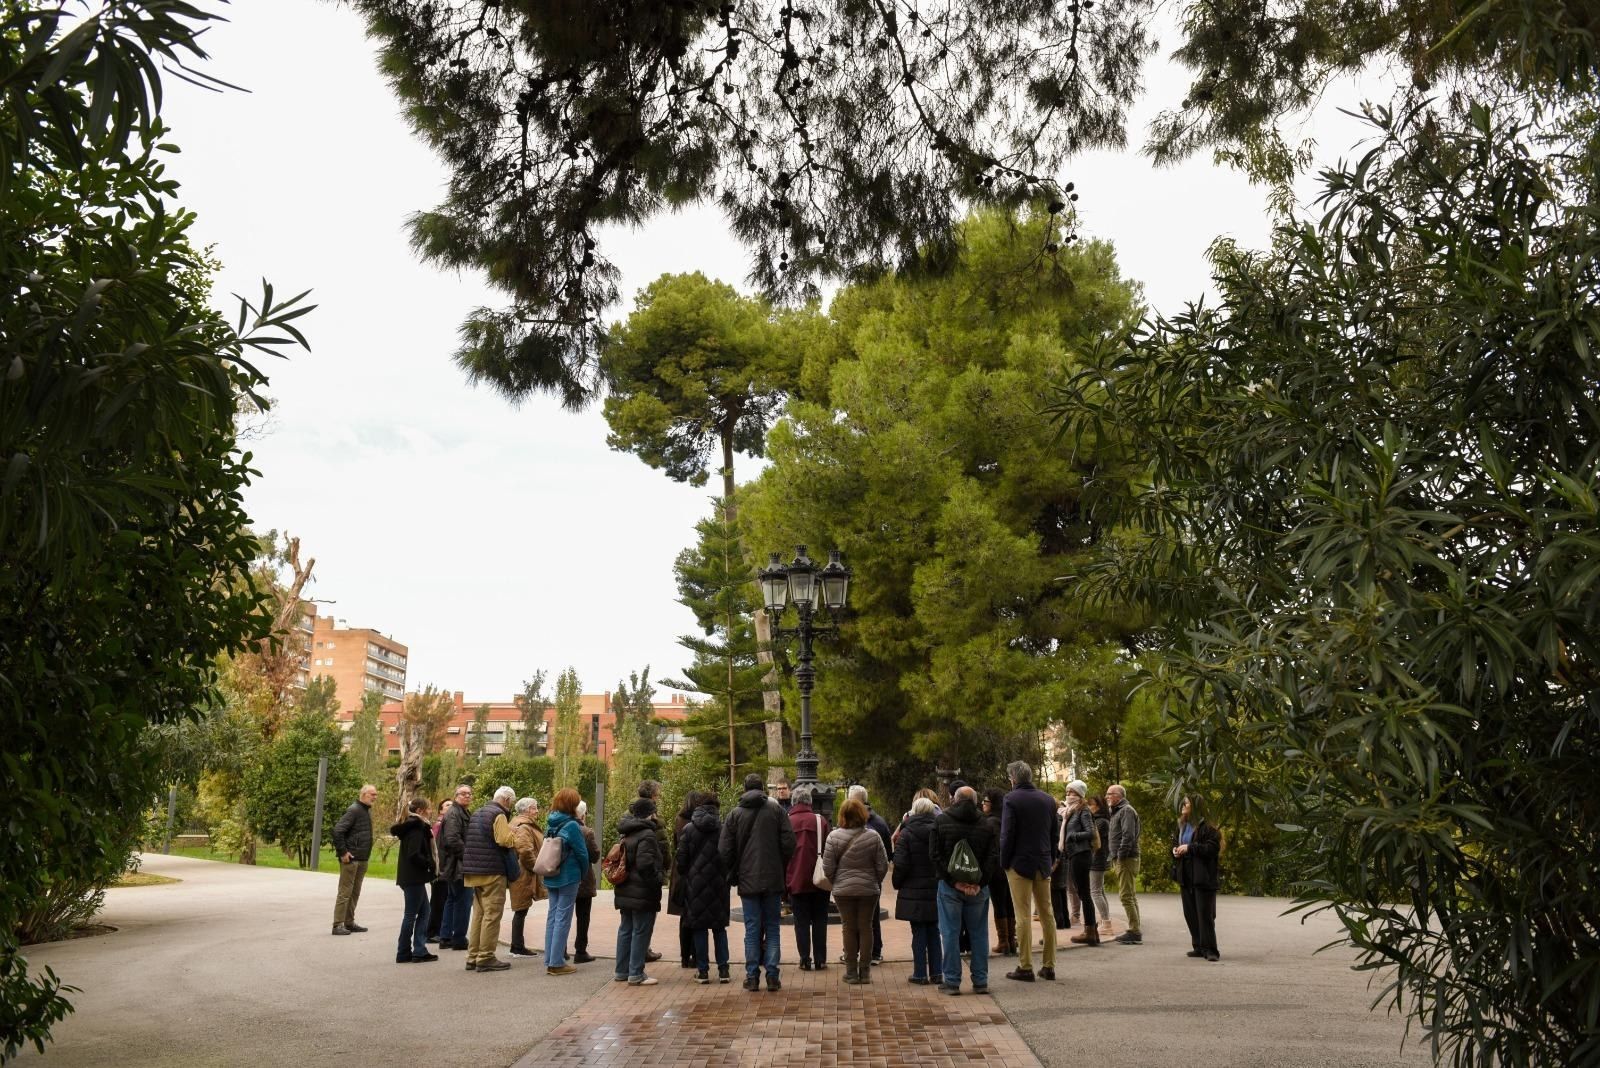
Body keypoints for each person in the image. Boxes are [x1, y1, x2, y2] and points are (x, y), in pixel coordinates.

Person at [719, 772, 796, 992]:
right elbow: (790, 843)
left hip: (748, 880)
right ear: (762, 788)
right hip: (773, 879)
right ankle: (772, 975)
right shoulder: (777, 812)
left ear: (744, 789)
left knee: (752, 928)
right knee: (772, 927)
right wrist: (779, 865)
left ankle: (752, 976)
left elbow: (724, 850)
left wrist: (735, 869)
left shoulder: (735, 815)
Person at [931, 785, 1000, 995]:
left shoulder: (941, 821)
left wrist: (954, 882)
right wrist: (980, 883)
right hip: (978, 889)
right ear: (976, 801)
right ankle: (980, 981)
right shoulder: (986, 824)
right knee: (979, 933)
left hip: (950, 888)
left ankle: (952, 981)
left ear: (954, 799)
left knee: (950, 933)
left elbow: (935, 855)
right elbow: (993, 857)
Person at [1000, 761, 1059, 981]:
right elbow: (1054, 833)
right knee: (1047, 914)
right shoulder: (1047, 799)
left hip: (1019, 863)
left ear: (1013, 779)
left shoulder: (1011, 799)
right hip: (1043, 863)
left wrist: (1004, 862)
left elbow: (1007, 835)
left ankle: (1025, 966)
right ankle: (1049, 965)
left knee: (1022, 914)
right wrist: (1051, 859)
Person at [824, 797, 889, 984]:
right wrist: (874, 881)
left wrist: (837, 881)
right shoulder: (873, 836)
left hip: (843, 891)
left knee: (848, 928)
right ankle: (865, 972)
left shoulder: (833, 837)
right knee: (866, 927)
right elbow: (882, 865)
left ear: (842, 815)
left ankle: (851, 971)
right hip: (869, 890)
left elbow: (828, 868)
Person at [461, 784, 517, 973]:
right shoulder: (498, 814)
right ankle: (486, 957)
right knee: (492, 915)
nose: (510, 807)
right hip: (492, 871)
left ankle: (473, 956)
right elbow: (504, 840)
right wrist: (513, 834)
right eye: (511, 803)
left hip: (474, 870)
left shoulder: (477, 812)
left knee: (479, 915)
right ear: (506, 800)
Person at [679, 791, 732, 984]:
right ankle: (724, 970)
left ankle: (702, 971)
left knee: (699, 928)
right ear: (716, 807)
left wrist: (689, 873)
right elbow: (729, 854)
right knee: (719, 928)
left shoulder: (689, 829)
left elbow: (681, 860)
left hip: (696, 885)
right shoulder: (724, 828)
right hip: (719, 884)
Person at [614, 796, 665, 985]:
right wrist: (657, 880)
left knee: (626, 929)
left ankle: (621, 970)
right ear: (651, 814)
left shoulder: (626, 832)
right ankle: (636, 973)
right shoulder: (647, 835)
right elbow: (645, 865)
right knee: (641, 931)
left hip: (625, 888)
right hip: (642, 891)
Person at [892, 795, 941, 984]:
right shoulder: (939, 831)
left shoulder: (906, 833)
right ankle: (937, 972)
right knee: (934, 932)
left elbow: (901, 864)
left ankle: (920, 973)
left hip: (913, 890)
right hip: (935, 888)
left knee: (918, 932)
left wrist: (897, 883)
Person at [543, 787, 591, 975]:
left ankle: (550, 958)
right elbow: (582, 853)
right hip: (568, 876)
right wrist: (582, 872)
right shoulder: (572, 825)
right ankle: (556, 963)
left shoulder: (550, 823)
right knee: (563, 918)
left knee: (552, 917)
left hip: (551, 873)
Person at [784, 784, 831, 970]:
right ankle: (820, 959)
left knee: (801, 921)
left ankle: (804, 958)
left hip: (795, 878)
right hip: (819, 879)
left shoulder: (787, 821)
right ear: (810, 802)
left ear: (793, 802)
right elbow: (829, 848)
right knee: (820, 919)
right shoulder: (820, 821)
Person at [1173, 794, 1222, 961]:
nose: (1182, 805)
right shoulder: (1182, 825)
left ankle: (1211, 950)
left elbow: (1212, 848)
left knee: (1204, 914)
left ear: (1195, 806)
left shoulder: (1208, 827)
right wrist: (1175, 850)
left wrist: (1190, 848)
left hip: (1203, 877)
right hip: (1185, 875)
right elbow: (1176, 843)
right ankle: (1199, 946)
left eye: (1186, 803)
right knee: (1190, 913)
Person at [847, 784, 892, 964]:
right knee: (871, 918)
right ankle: (873, 952)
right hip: (871, 879)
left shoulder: (848, 822)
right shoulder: (879, 822)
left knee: (855, 920)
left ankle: (863, 952)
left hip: (854, 878)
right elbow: (887, 854)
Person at [391, 796, 439, 963]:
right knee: (411, 914)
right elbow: (414, 854)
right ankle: (404, 952)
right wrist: (429, 864)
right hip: (413, 877)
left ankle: (418, 949)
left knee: (425, 912)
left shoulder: (413, 826)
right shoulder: (417, 828)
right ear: (420, 811)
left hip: (411, 877)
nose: (431, 811)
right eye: (429, 808)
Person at [330, 783, 376, 936]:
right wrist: (343, 853)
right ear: (363, 795)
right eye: (372, 794)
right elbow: (338, 831)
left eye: (375, 795)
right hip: (351, 859)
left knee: (355, 892)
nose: (375, 797)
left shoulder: (365, 811)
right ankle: (337, 925)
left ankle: (349, 922)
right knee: (345, 892)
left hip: (362, 858)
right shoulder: (354, 810)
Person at [1061, 780, 1101, 946]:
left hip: (1081, 854)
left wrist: (1073, 836)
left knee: (1084, 893)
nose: (1069, 795)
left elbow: (1090, 832)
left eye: (1072, 793)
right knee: (1083, 892)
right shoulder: (1071, 811)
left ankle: (1090, 931)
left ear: (1080, 795)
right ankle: (1091, 931)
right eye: (1068, 792)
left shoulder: (1083, 810)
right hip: (1075, 854)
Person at [437, 783, 475, 951]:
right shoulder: (454, 813)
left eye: (469, 793)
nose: (467, 796)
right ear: (456, 796)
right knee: (463, 901)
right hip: (457, 865)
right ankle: (458, 938)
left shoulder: (461, 812)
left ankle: (446, 937)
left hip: (455, 864)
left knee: (453, 900)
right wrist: (468, 858)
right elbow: (452, 839)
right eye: (463, 793)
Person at [507, 797, 547, 957]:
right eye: (534, 808)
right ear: (527, 810)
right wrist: (537, 867)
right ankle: (517, 946)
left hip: (522, 871)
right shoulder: (523, 826)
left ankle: (517, 944)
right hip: (523, 872)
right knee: (521, 908)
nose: (537, 811)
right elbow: (525, 851)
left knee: (522, 908)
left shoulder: (520, 824)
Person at [636, 781, 669, 964]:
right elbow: (661, 845)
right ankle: (640, 956)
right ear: (652, 796)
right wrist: (662, 870)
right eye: (657, 794)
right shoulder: (652, 819)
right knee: (646, 918)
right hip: (649, 873)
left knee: (630, 922)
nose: (659, 797)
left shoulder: (629, 814)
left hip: (632, 876)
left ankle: (632, 958)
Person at [980, 788, 1016, 956]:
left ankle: (1004, 942)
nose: (982, 804)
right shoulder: (1005, 819)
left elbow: (992, 847)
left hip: (996, 869)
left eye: (985, 801)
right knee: (1008, 903)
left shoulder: (990, 822)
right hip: (1009, 867)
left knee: (1000, 903)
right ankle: (1010, 940)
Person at [1106, 783, 1143, 945]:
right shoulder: (1117, 811)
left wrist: (1120, 855)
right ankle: (1134, 929)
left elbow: (1128, 835)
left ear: (1118, 796)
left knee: (1126, 895)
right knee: (1130, 895)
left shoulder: (1126, 811)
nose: (1106, 796)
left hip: (1126, 858)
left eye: (1110, 794)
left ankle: (1134, 931)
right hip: (1122, 858)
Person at [573, 800, 600, 963]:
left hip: (564, 879)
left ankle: (560, 950)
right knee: (583, 916)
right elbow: (595, 856)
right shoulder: (586, 832)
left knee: (563, 916)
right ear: (583, 814)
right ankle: (580, 950)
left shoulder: (560, 828)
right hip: (583, 879)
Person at [1087, 794, 1114, 937]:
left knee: (1095, 892)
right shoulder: (1100, 820)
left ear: (1097, 806)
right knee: (1100, 891)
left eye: (1090, 805)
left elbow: (1092, 838)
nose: (1088, 807)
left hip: (1097, 859)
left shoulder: (1101, 821)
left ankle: (1106, 922)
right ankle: (1106, 921)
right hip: (1098, 859)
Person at [425, 798, 452, 943]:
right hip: (439, 870)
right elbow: (435, 848)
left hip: (445, 870)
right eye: (447, 805)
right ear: (440, 810)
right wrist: (438, 869)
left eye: (452, 805)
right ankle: (431, 932)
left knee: (443, 900)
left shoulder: (447, 823)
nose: (450, 807)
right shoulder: (439, 825)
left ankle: (439, 930)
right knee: (438, 901)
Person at [1051, 792, 1073, 932]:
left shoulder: (1054, 821)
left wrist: (1054, 860)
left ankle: (1059, 921)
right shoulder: (1062, 820)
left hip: (1056, 857)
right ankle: (1065, 921)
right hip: (1064, 857)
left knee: (1054, 889)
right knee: (1062, 889)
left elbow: (1055, 841)